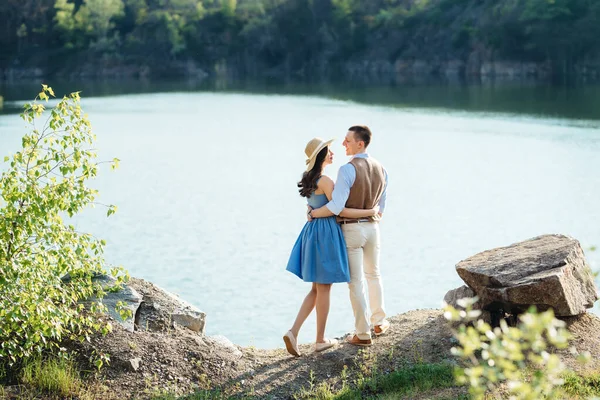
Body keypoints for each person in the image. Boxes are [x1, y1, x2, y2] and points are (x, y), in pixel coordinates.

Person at [283, 137, 379, 356]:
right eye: (329, 151)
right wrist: (369, 213)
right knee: (324, 288)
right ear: (321, 156)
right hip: (326, 233)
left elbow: (312, 206)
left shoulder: (308, 179)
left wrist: (311, 213)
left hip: (312, 233)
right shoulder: (326, 181)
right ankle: (319, 340)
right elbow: (339, 209)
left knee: (316, 289)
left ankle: (294, 332)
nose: (333, 154)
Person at [310, 125, 389, 347]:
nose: (344, 144)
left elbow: (336, 206)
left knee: (356, 282)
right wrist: (371, 215)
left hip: (351, 229)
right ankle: (379, 322)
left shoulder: (347, 170)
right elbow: (381, 206)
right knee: (374, 274)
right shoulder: (381, 168)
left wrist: (314, 213)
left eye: (347, 140)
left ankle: (363, 334)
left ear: (360, 144)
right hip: (373, 229)